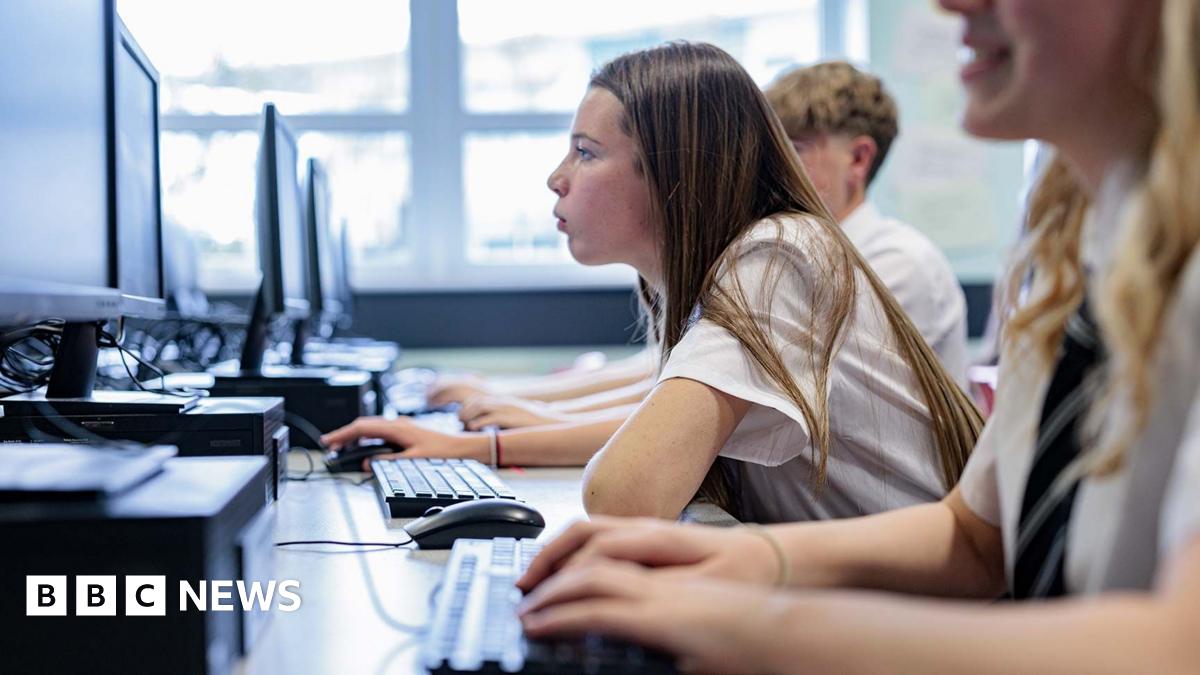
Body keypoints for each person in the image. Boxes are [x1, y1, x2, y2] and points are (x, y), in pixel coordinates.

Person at [515, 0, 1200, 670]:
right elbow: (975, 537)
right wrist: (752, 560)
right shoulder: (1067, 261)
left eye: (585, 152)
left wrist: (760, 620)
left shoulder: (784, 253)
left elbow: (1181, 644)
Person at [325, 41, 982, 524]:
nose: (558, 177)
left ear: (674, 174)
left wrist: (488, 442)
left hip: (922, 621)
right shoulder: (741, 267)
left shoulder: (779, 259)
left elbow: (622, 494)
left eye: (585, 152)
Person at [765, 61, 969, 385]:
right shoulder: (793, 253)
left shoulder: (898, 263)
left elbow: (796, 389)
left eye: (793, 151)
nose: (772, 170)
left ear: (858, 159)